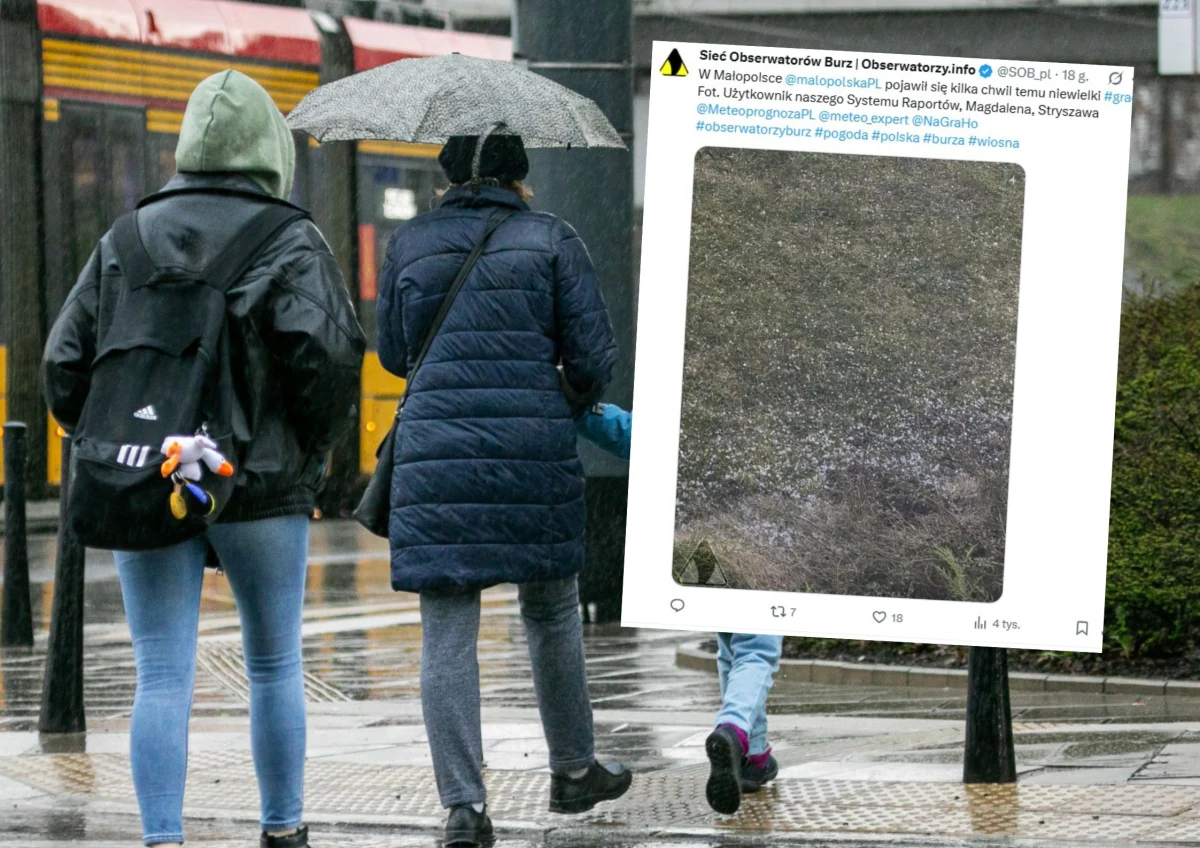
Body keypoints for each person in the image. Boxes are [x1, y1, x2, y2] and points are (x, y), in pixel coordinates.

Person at [43, 70, 366, 848]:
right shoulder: (291, 238)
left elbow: (63, 365)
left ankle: (163, 837)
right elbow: (330, 362)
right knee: (274, 665)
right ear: (269, 151)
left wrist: (118, 436)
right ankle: (282, 829)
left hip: (149, 476)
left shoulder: (124, 240)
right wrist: (306, 458)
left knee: (161, 674)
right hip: (259, 485)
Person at [377, 132, 632, 847]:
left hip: (436, 457)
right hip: (532, 448)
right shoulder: (552, 239)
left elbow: (397, 355)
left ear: (446, 180)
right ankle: (574, 770)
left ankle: (463, 806)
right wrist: (561, 392)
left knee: (447, 630)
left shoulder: (411, 243)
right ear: (522, 178)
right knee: (551, 610)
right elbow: (593, 359)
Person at [573, 403, 781, 815]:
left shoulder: (693, 411)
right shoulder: (771, 419)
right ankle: (736, 731)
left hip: (698, 544)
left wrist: (580, 408)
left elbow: (631, 433)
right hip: (753, 538)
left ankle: (754, 758)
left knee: (730, 641)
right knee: (757, 645)